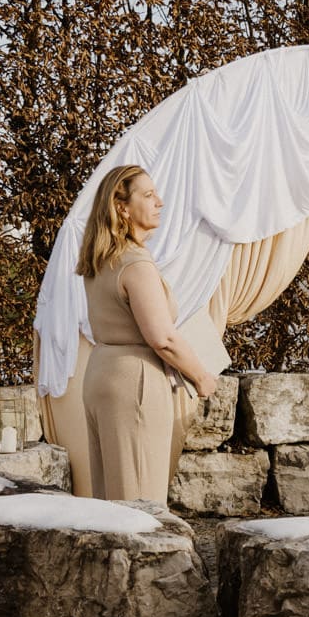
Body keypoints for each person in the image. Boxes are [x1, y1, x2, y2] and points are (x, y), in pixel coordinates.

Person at [76, 164, 220, 502]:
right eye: (148, 194)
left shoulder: (100, 260)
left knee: (110, 498)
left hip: (101, 373)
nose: (160, 202)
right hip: (134, 381)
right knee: (139, 501)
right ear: (122, 207)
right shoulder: (135, 264)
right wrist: (201, 377)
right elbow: (163, 338)